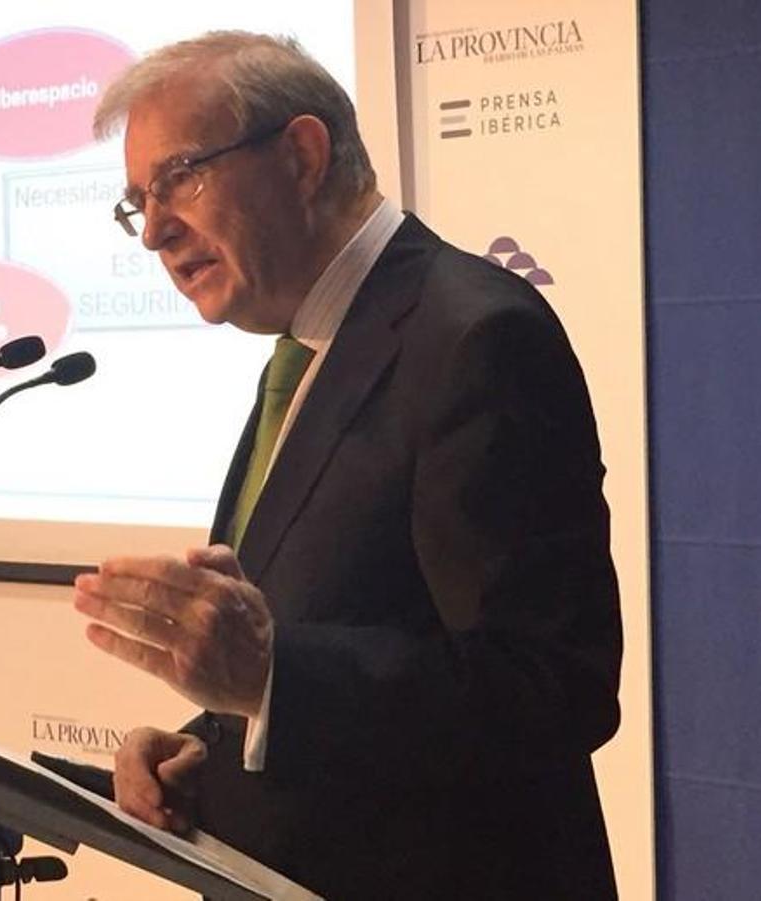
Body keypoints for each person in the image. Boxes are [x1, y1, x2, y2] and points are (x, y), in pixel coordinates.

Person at [73, 31, 622, 900]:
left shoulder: (476, 337)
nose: (154, 231)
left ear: (301, 156)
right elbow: (336, 628)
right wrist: (210, 744)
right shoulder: (309, 348)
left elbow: (550, 685)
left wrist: (270, 678)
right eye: (138, 200)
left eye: (179, 177)